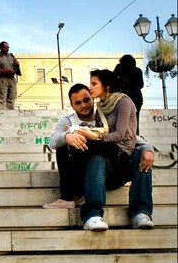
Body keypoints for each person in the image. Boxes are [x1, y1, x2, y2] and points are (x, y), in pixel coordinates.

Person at [43, 83, 155, 211]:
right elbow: (52, 142)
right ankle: (69, 196)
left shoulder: (105, 116)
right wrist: (67, 137)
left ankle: (141, 211)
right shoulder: (67, 121)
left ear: (92, 98)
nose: (83, 105)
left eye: (86, 100)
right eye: (78, 103)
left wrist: (148, 148)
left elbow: (129, 137)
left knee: (134, 152)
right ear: (72, 105)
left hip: (110, 171)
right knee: (64, 143)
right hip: (85, 172)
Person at [68, 70, 153, 231]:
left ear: (106, 86)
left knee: (141, 156)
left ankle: (141, 213)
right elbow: (103, 131)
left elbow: (121, 134)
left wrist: (148, 149)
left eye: (94, 83)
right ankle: (92, 215)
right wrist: (80, 130)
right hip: (110, 159)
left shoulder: (124, 102)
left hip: (126, 154)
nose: (90, 87)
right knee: (95, 155)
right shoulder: (100, 107)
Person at [113, 54, 144, 134]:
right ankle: (136, 137)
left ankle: (124, 138)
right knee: (135, 119)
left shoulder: (119, 69)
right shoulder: (138, 70)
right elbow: (141, 85)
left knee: (122, 119)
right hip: (136, 96)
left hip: (124, 96)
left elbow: (113, 81)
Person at [0, 41, 20, 110]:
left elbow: (17, 68)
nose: (7, 49)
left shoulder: (12, 56)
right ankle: (2, 114)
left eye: (8, 47)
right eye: (5, 47)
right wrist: (7, 71)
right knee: (2, 98)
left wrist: (17, 65)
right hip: (2, 79)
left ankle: (11, 113)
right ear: (1, 48)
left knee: (12, 97)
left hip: (12, 79)